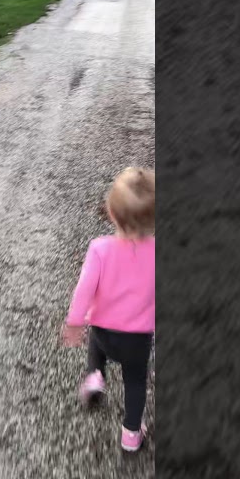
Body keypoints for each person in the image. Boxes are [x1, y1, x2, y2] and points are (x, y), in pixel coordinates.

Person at [63, 167, 155, 452]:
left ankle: (94, 377)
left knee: (96, 344)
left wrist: (75, 322)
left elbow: (84, 290)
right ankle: (130, 434)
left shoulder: (100, 249)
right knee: (136, 381)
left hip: (103, 331)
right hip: (137, 338)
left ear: (111, 213)